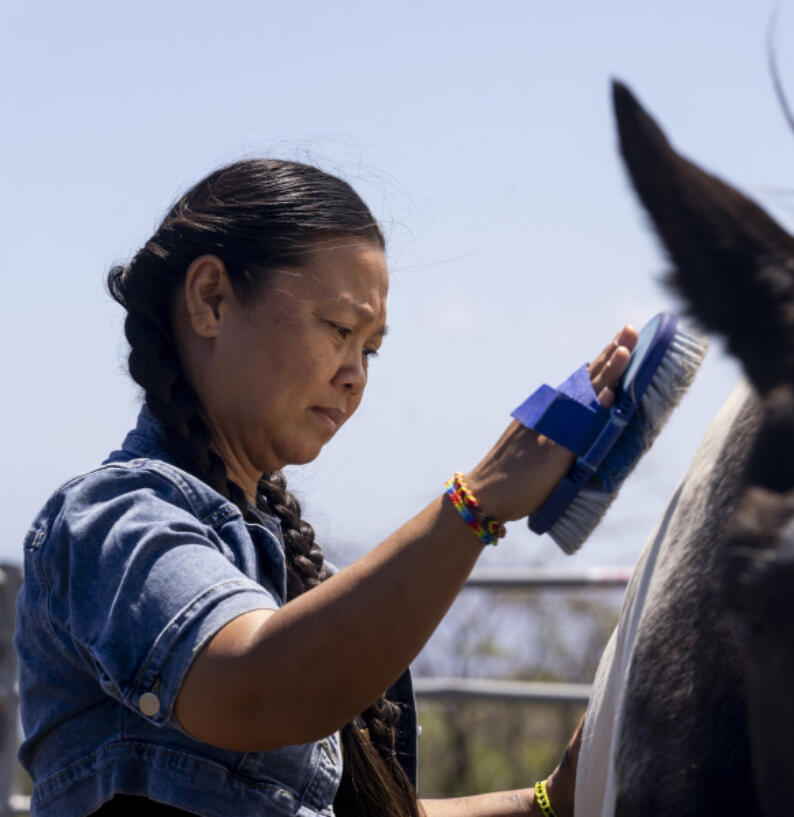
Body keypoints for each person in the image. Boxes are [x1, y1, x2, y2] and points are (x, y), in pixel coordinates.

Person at [15, 158, 637, 817]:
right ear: (211, 299)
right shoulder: (111, 521)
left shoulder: (300, 578)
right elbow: (258, 690)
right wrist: (475, 502)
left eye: (370, 349)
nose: (355, 375)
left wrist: (548, 800)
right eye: (341, 329)